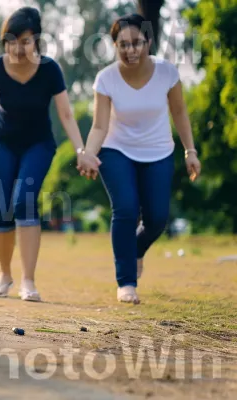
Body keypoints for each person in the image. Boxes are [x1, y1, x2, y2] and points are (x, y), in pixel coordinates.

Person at [77, 13, 202, 304]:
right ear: (114, 46)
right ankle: (126, 282)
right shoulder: (105, 79)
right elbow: (99, 126)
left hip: (158, 151)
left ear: (148, 42)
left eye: (136, 43)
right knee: (125, 209)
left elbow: (180, 113)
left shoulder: (167, 73)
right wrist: (89, 154)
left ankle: (135, 249)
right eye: (123, 45)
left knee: (157, 218)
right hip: (115, 149)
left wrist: (190, 150)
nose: (130, 50)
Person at [0, 6, 89, 301]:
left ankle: (28, 280)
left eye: (24, 41)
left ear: (37, 40)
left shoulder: (50, 70)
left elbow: (65, 113)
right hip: (2, 143)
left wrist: (81, 150)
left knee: (24, 200)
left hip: (38, 144)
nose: (17, 48)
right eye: (10, 41)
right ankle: (4, 274)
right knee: (4, 206)